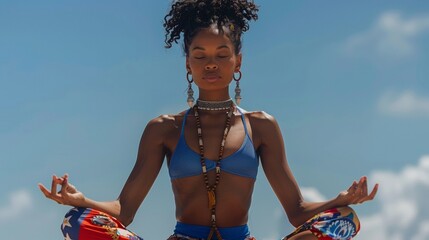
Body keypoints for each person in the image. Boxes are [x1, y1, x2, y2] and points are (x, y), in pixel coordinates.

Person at [39, 1, 378, 239]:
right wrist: (82, 200)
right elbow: (123, 210)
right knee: (77, 222)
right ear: (187, 63)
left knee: (346, 219)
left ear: (238, 61)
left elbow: (297, 210)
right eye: (200, 56)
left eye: (222, 55)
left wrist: (340, 200)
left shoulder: (261, 126)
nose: (211, 64)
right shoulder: (163, 129)